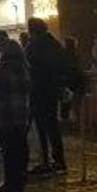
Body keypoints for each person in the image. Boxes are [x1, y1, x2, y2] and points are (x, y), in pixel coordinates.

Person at [0, 39, 31, 192]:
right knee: (20, 148)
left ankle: (10, 183)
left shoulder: (0, 69)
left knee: (8, 151)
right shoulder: (24, 68)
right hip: (21, 113)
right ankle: (20, 180)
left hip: (4, 113)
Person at [25, 17, 70, 175]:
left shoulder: (38, 46)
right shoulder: (53, 44)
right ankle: (53, 160)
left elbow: (32, 66)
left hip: (40, 90)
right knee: (49, 126)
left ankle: (50, 160)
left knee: (46, 127)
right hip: (48, 89)